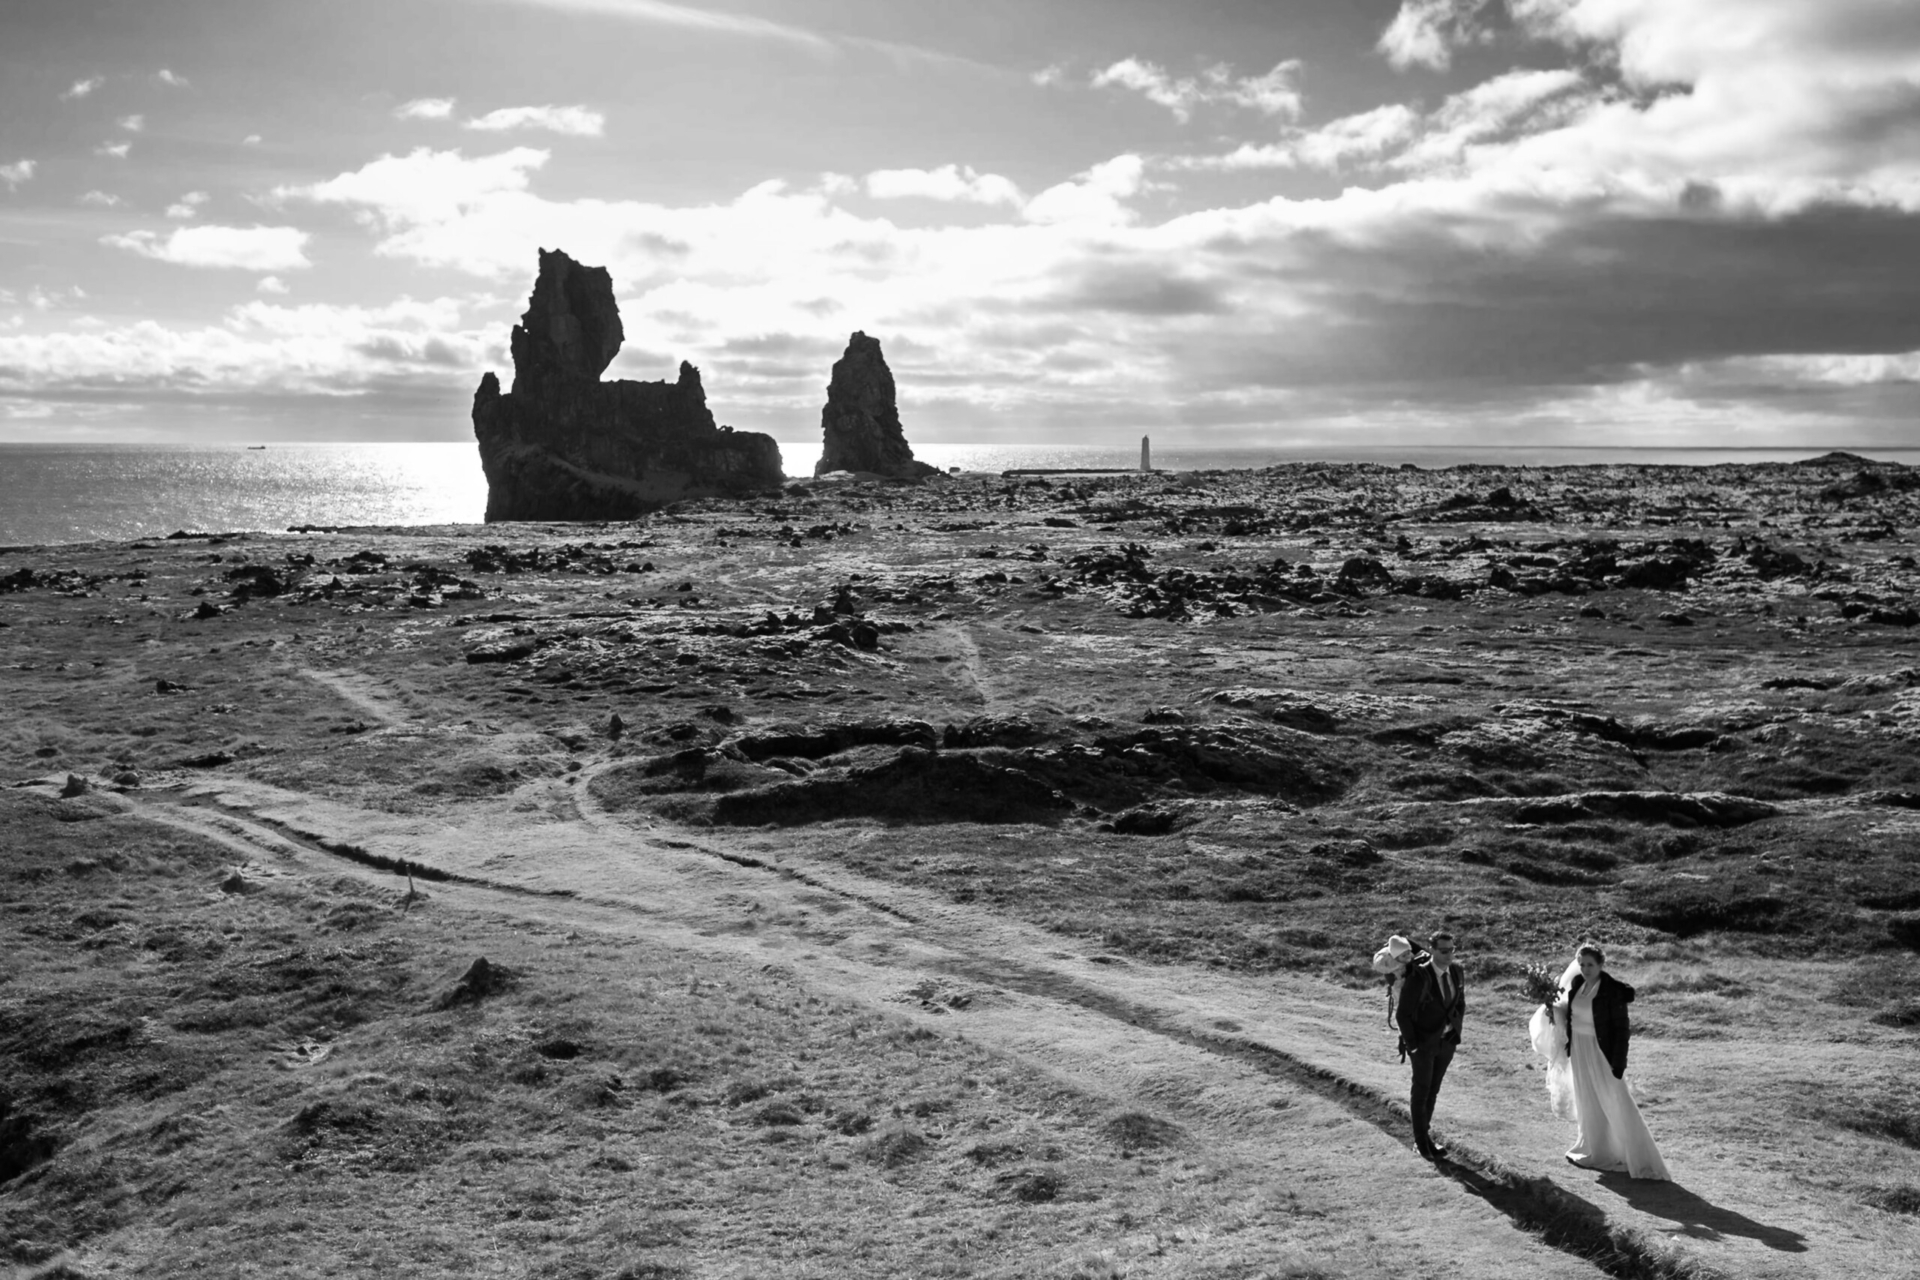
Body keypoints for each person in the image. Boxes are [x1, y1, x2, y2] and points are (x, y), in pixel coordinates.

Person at [1528, 944, 1670, 1180]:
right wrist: (1551, 1008)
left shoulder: (1612, 991)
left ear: (1601, 964)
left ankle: (1641, 1157)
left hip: (1601, 1051)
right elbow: (1568, 1015)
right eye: (1581, 964)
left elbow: (1621, 1030)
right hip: (1579, 1050)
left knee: (1616, 1099)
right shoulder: (1576, 987)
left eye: (1590, 965)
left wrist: (1618, 1062)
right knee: (1588, 1100)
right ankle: (1595, 1149)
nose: (1585, 969)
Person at [1397, 931, 1464, 1161]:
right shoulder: (1420, 976)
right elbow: (1402, 1014)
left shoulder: (1456, 971)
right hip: (1423, 1046)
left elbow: (1459, 1003)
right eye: (1444, 951)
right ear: (1432, 950)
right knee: (1421, 1091)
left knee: (1433, 1090)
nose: (1449, 955)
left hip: (1446, 1043)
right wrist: (1413, 1046)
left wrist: (1455, 1030)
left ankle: (1425, 1138)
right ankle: (1420, 1141)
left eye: (1452, 950)